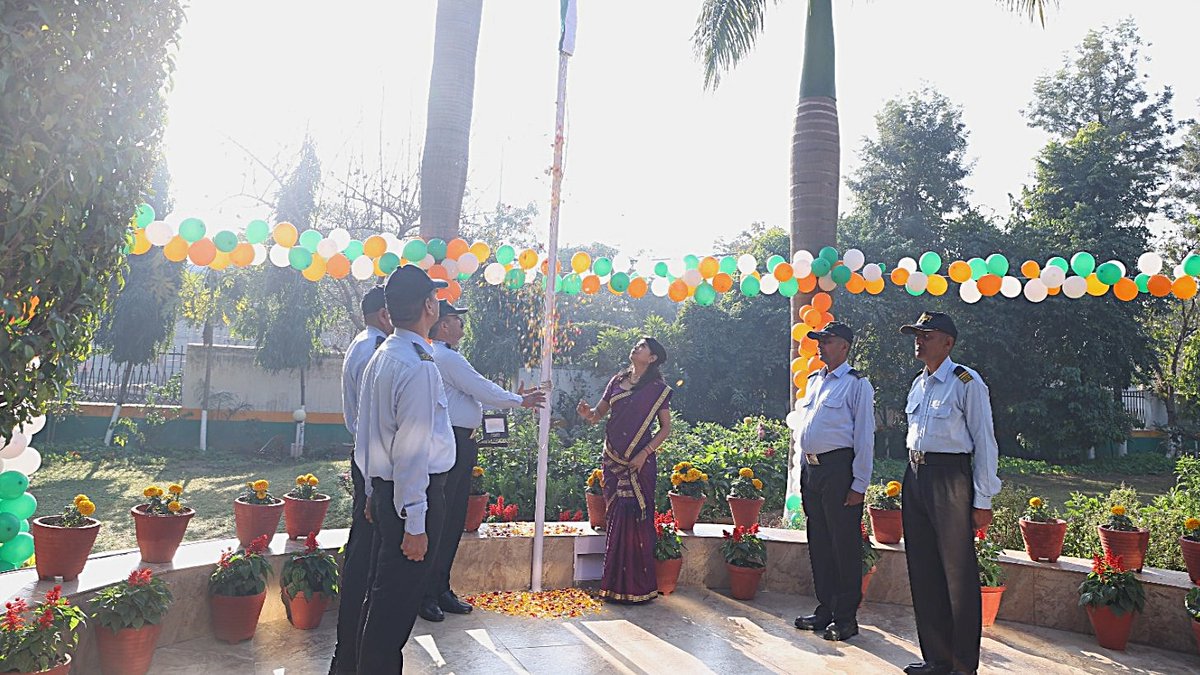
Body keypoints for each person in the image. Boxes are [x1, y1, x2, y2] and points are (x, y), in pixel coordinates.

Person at [354, 265, 456, 674]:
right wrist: (416, 522)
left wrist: (368, 492)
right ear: (429, 306)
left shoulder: (384, 354)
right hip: (411, 498)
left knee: (381, 604)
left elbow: (365, 433)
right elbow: (412, 450)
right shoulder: (417, 365)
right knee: (392, 613)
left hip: (385, 491)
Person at [420, 300, 547, 622]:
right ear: (444, 325)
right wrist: (520, 400)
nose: (463, 326)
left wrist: (511, 397)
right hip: (452, 442)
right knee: (443, 520)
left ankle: (439, 589)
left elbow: (475, 391)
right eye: (457, 321)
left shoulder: (444, 356)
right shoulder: (445, 356)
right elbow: (479, 387)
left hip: (459, 441)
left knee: (450, 521)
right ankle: (427, 593)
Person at [898, 312, 1001, 675]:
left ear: (948, 342)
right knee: (923, 571)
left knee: (957, 576)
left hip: (950, 478)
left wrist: (983, 499)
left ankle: (962, 666)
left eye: (927, 334)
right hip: (915, 475)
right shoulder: (918, 384)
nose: (919, 340)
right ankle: (937, 659)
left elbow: (985, 443)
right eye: (917, 334)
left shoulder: (966, 382)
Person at [791, 322, 875, 642]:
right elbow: (806, 428)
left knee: (844, 546)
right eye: (819, 340)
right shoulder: (815, 381)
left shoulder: (857, 384)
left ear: (844, 346)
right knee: (820, 543)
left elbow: (864, 436)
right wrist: (803, 468)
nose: (820, 345)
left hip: (840, 470)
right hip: (812, 470)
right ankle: (825, 608)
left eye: (827, 341)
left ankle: (845, 618)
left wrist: (859, 484)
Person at [577, 337, 672, 604]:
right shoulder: (617, 381)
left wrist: (644, 454)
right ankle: (613, 585)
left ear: (652, 358)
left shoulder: (657, 389)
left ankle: (640, 588)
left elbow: (665, 429)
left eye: (643, 347)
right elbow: (598, 415)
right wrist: (587, 413)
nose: (636, 348)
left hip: (638, 463)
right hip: (613, 460)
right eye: (637, 345)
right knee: (616, 520)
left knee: (637, 521)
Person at [329, 285, 390, 674]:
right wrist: (370, 486)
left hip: (368, 459)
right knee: (365, 561)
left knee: (365, 557)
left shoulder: (364, 343)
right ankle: (348, 653)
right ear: (385, 313)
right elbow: (372, 423)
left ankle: (350, 650)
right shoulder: (373, 350)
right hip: (373, 464)